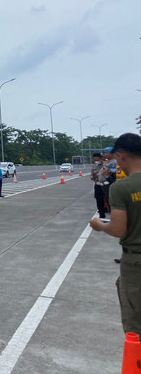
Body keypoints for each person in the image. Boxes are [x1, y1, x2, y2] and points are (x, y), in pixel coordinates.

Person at [89, 133, 141, 335]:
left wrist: (99, 225)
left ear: (121, 155)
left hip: (136, 262)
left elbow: (118, 229)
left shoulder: (122, 187)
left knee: (135, 327)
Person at [90, 152, 107, 219]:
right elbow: (91, 177)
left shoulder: (106, 165)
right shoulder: (94, 166)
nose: (96, 161)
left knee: (108, 199)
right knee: (99, 200)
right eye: (95, 160)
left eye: (97, 160)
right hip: (98, 184)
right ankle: (102, 215)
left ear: (101, 159)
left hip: (106, 184)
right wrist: (94, 176)